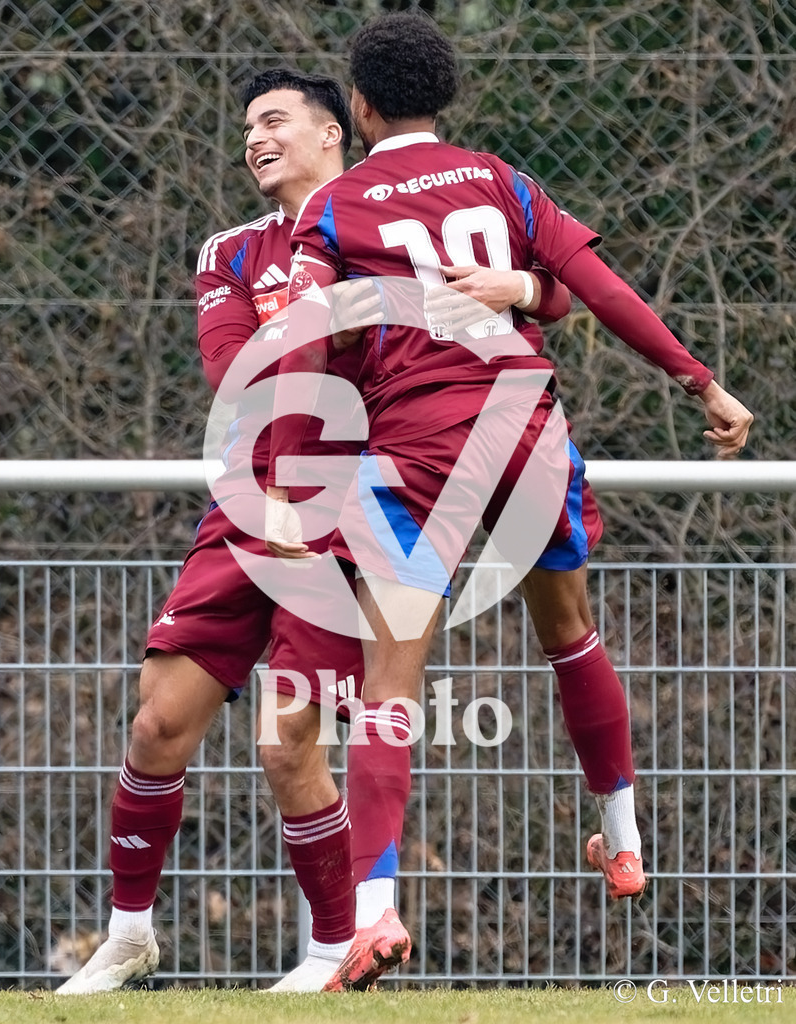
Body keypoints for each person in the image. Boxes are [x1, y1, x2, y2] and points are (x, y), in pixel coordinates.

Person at [265, 12, 754, 990]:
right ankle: (622, 838)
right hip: (528, 435)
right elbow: (596, 286)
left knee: (390, 680)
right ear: (442, 97)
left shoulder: (338, 206)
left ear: (357, 108)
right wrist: (701, 380)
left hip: (417, 455)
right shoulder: (500, 180)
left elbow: (303, 343)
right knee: (572, 635)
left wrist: (283, 477)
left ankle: (375, 912)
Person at [55, 67, 566, 995]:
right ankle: (128, 934)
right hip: (249, 505)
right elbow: (232, 374)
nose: (254, 137)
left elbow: (441, 353)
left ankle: (337, 952)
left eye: (274, 120)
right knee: (157, 724)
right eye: (246, 124)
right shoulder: (232, 251)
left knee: (289, 744)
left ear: (335, 132)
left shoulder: (382, 227)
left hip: (349, 516)